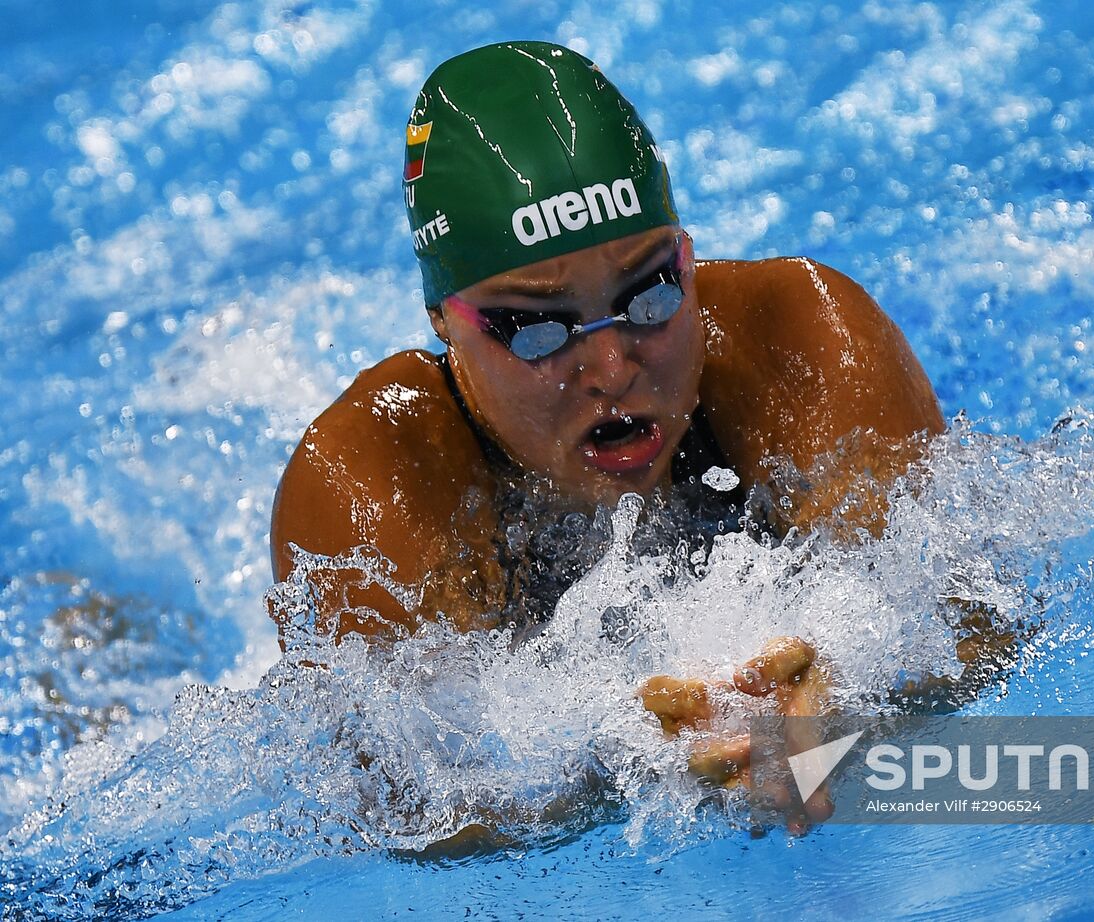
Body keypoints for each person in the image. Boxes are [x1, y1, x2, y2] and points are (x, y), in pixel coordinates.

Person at [268, 41, 991, 834]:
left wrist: (850, 702)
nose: (612, 367)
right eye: (538, 330)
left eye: (650, 294)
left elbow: (973, 626)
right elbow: (412, 821)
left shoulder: (803, 347)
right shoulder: (375, 485)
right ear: (444, 322)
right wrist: (626, 762)